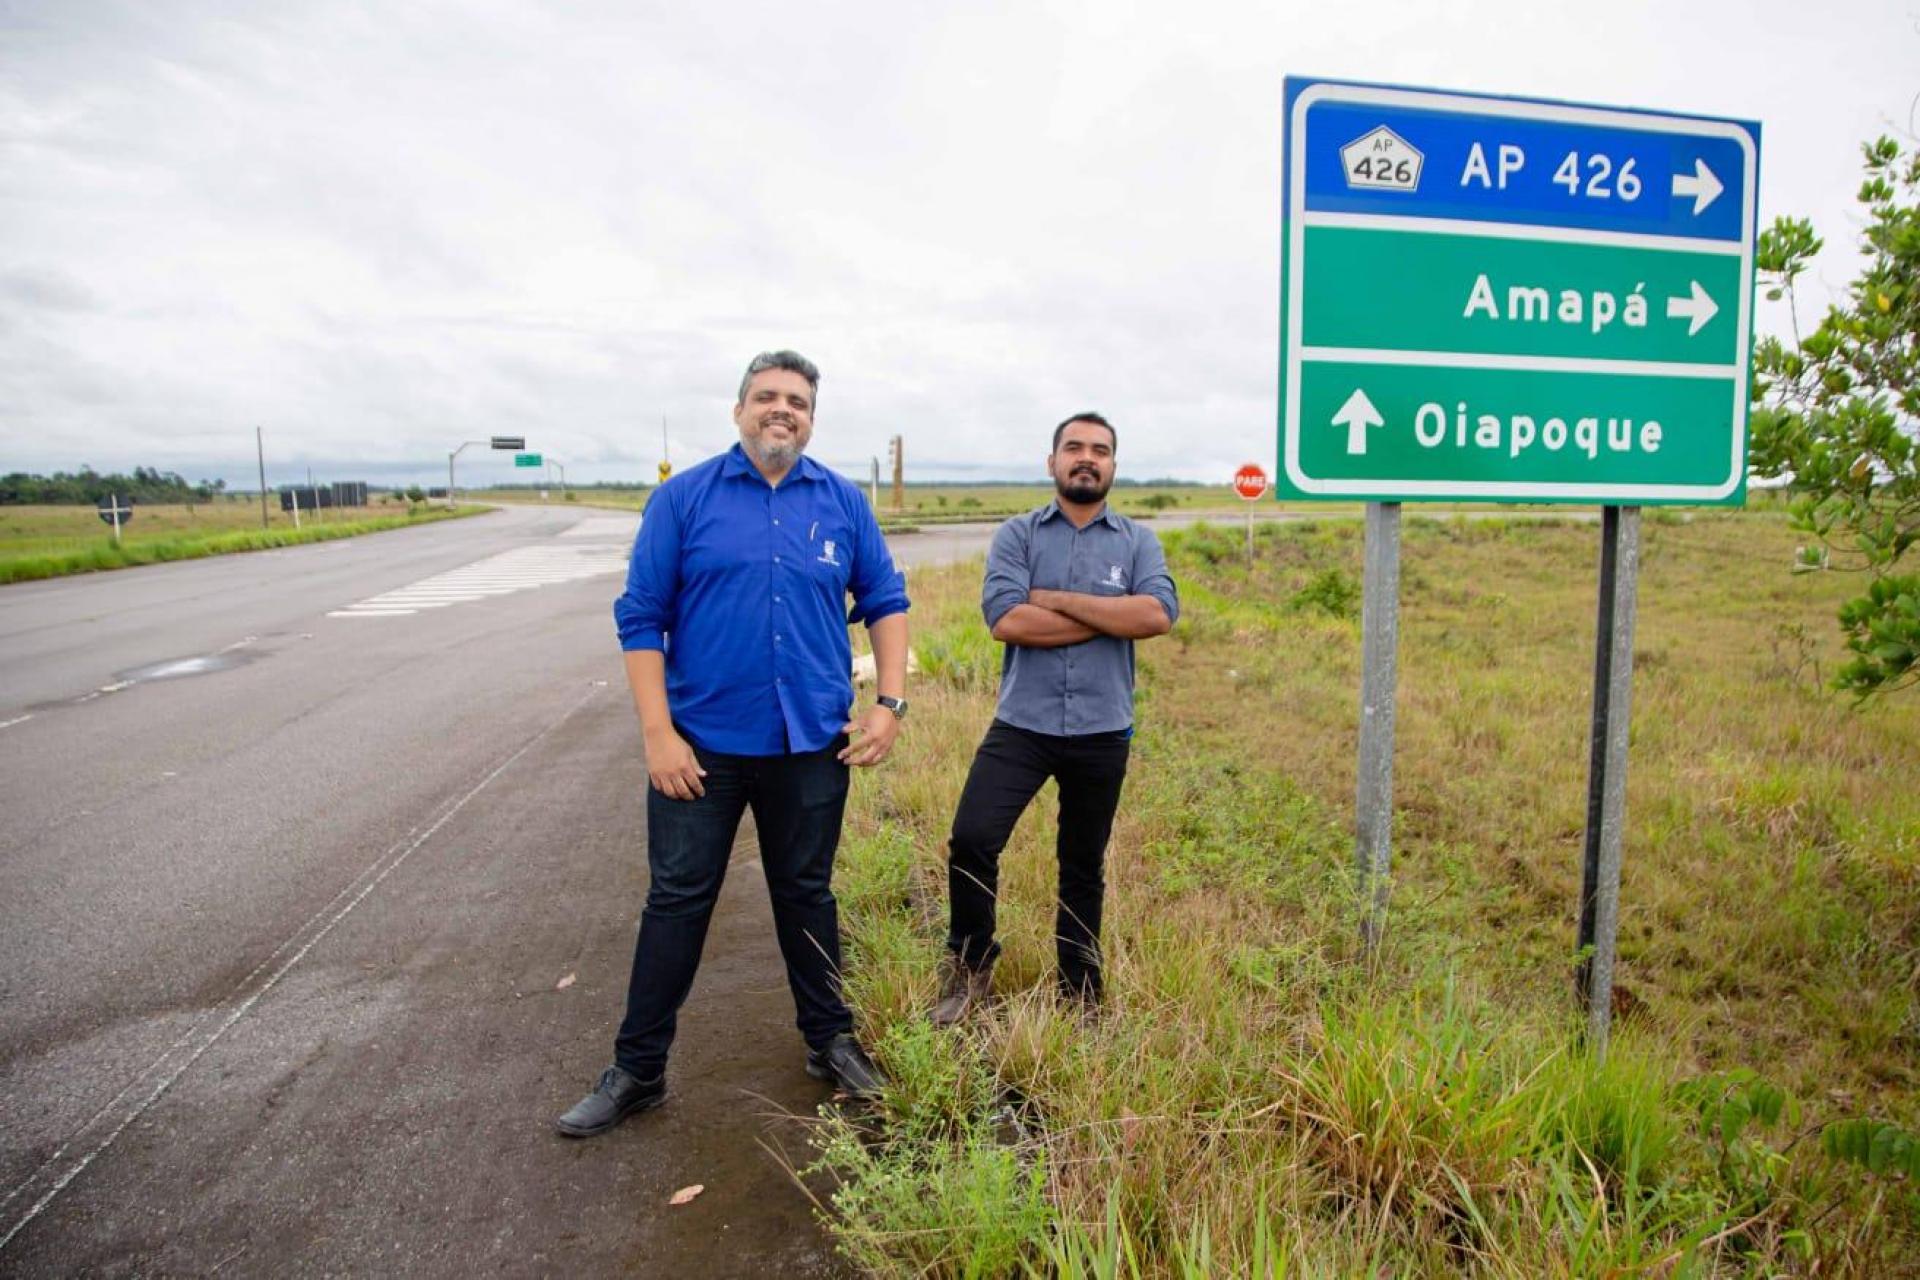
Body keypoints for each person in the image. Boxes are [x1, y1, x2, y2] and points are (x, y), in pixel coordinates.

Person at [558, 350, 910, 1138]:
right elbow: (640, 616)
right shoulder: (683, 500)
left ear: (812, 417)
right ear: (739, 410)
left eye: (796, 401)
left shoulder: (842, 503)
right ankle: (638, 1070)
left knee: (806, 895)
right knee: (677, 904)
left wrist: (889, 703)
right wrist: (658, 735)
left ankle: (830, 1041)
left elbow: (885, 598)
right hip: (700, 751)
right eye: (766, 398)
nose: (781, 410)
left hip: (812, 745)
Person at [931, 412, 1177, 1027]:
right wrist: (1110, 612)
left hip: (1102, 728)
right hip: (1023, 724)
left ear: (1114, 466)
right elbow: (1007, 621)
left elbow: (1157, 616)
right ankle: (969, 969)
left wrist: (1058, 600)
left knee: (1082, 863)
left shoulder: (1138, 541)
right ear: (1052, 462)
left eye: (1099, 450)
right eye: (1074, 448)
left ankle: (1081, 990)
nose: (1086, 458)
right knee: (973, 840)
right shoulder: (1017, 536)